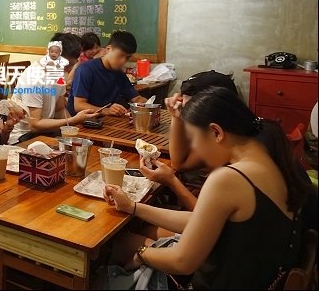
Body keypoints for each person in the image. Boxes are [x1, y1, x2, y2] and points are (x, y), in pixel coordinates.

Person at [104, 87, 312, 289]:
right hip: (258, 275)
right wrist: (133, 207)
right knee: (130, 241)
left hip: (218, 280)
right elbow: (202, 219)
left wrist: (141, 253)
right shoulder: (278, 161)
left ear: (216, 132)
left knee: (119, 247)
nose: (194, 149)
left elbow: (182, 262)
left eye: (193, 140)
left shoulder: (229, 178)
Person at [9, 37, 98, 144]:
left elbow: (59, 110)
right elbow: (35, 125)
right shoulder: (34, 78)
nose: (69, 70)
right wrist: (73, 120)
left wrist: (75, 128)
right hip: (24, 137)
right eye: (67, 65)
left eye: (72, 65)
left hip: (45, 134)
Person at [167, 70, 239, 172]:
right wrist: (176, 117)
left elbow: (179, 164)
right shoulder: (236, 124)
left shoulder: (225, 136)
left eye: (189, 109)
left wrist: (171, 180)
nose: (186, 116)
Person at [67, 30, 146, 116]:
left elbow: (136, 98)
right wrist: (106, 111)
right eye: (120, 56)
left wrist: (144, 103)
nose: (123, 61)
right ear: (108, 49)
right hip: (81, 121)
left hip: (105, 120)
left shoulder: (119, 74)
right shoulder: (86, 70)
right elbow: (79, 105)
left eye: (127, 58)